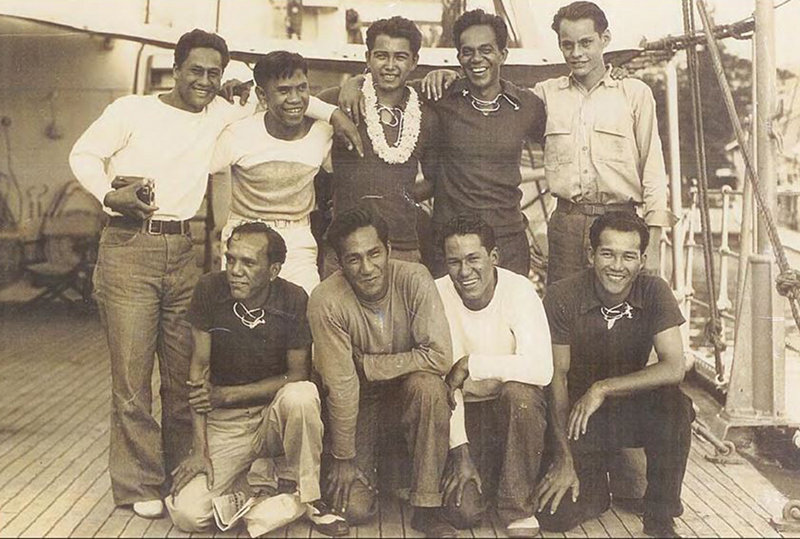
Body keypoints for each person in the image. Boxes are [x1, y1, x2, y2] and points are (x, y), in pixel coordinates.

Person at [69, 28, 357, 517]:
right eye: (195, 71)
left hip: (184, 248)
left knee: (183, 373)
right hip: (129, 243)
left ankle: (186, 472)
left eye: (213, 73)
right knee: (133, 379)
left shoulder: (222, 112)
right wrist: (107, 194)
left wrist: (333, 112)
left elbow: (285, 99)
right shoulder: (130, 110)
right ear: (176, 69)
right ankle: (140, 485)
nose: (204, 80)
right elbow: (82, 155)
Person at [164, 222, 346, 536]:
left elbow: (298, 374)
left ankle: (310, 496)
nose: (235, 270)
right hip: (227, 424)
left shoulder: (293, 298)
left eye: (248, 263)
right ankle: (272, 493)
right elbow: (199, 373)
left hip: (273, 416)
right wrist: (200, 450)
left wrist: (227, 395)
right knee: (188, 514)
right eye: (230, 259)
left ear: (273, 270)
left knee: (302, 394)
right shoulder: (209, 289)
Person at [338, 9, 547, 278]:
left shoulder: (526, 105)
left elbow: (560, 143)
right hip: (450, 242)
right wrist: (353, 84)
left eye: (486, 50)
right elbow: (388, 82)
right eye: (468, 51)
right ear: (459, 56)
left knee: (509, 317)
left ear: (502, 54)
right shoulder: (439, 94)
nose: (477, 59)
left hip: (507, 240)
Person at [535, 212, 693, 538]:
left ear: (642, 261)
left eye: (628, 256)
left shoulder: (654, 291)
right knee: (554, 516)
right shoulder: (562, 296)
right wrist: (564, 460)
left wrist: (602, 388)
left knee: (675, 404)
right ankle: (598, 486)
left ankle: (660, 517)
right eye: (607, 253)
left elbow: (674, 367)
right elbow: (557, 379)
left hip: (628, 411)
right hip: (579, 419)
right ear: (590, 255)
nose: (617, 266)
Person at [307, 207, 457, 537]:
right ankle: (387, 476)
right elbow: (342, 386)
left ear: (388, 249)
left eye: (374, 253)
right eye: (354, 259)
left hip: (407, 396)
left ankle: (427, 506)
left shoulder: (415, 277)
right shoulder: (326, 299)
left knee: (429, 386)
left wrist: (370, 365)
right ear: (340, 263)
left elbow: (440, 357)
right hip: (358, 402)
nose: (368, 268)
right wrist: (344, 458)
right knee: (356, 509)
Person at [535, 1, 674, 284]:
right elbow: (496, 97)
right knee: (565, 315)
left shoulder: (635, 94)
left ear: (605, 39)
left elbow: (654, 170)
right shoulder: (546, 94)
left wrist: (655, 243)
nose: (577, 53)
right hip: (566, 227)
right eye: (567, 45)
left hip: (622, 225)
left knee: (623, 318)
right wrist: (454, 79)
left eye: (586, 43)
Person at [435, 215, 553, 537]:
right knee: (464, 513)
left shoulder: (519, 290)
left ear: (494, 257)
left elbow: (542, 369)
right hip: (464, 415)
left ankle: (517, 507)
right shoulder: (437, 294)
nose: (464, 271)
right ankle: (483, 478)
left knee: (521, 393)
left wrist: (472, 364)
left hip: (513, 414)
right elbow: (448, 386)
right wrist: (460, 452)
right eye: (454, 261)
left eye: (474, 258)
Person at [317, 16, 439, 277]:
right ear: (368, 57)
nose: (390, 65)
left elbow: (433, 180)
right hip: (344, 246)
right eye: (382, 56)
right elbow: (296, 108)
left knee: (400, 318)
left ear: (414, 61)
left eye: (401, 57)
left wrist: (396, 193)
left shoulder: (426, 115)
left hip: (402, 245)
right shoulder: (339, 101)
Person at [211, 51, 335, 295]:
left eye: (302, 88)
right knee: (243, 319)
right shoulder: (237, 134)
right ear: (262, 95)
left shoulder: (322, 133)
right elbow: (205, 171)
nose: (295, 98)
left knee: (304, 313)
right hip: (244, 234)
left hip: (297, 238)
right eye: (284, 90)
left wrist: (335, 114)